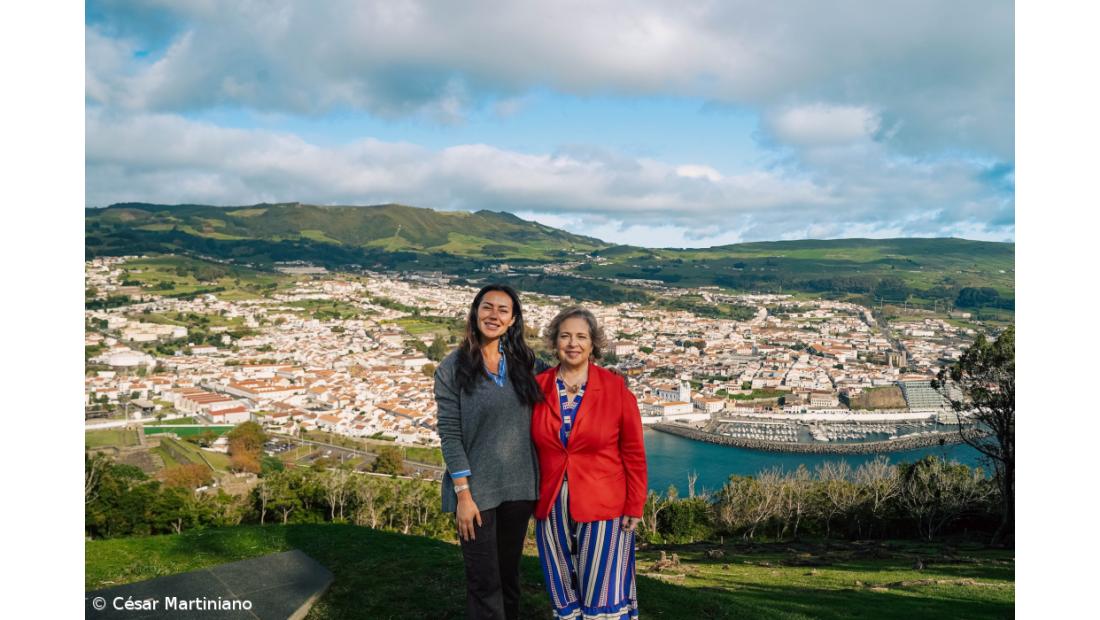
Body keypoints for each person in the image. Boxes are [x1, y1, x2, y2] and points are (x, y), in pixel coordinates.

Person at [434, 284, 545, 620]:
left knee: (508, 576)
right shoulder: (452, 368)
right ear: (475, 312)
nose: (493, 315)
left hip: (520, 488)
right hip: (475, 494)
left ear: (513, 321)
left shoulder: (527, 364)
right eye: (487, 307)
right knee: (484, 581)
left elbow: (568, 382)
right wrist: (463, 496)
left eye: (503, 310)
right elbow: (450, 436)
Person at [531, 306, 647, 620]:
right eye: (565, 336)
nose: (572, 343)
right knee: (561, 586)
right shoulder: (538, 387)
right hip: (552, 502)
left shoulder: (615, 389)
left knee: (602, 591)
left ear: (593, 343)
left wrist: (635, 505)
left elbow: (634, 453)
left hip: (604, 503)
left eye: (581, 336)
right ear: (554, 342)